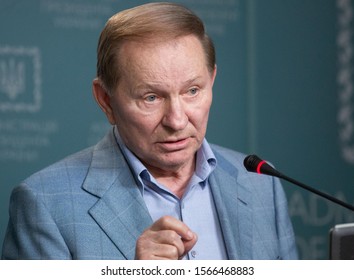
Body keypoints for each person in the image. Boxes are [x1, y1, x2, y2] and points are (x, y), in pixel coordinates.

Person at [2, 2, 298, 260]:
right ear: (106, 100)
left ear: (212, 80)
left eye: (192, 91)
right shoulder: (45, 204)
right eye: (151, 98)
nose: (177, 120)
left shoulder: (261, 185)